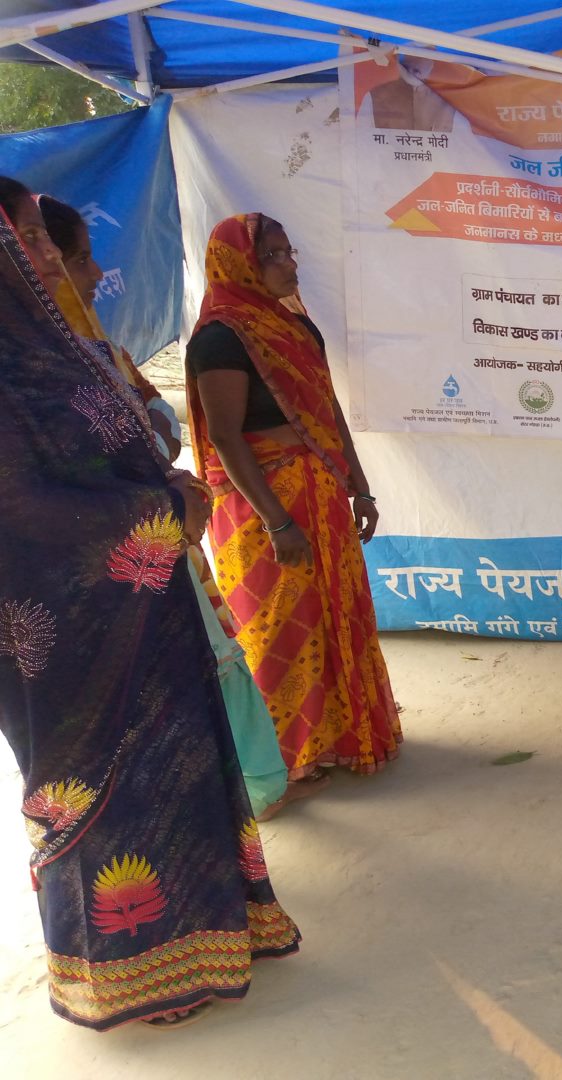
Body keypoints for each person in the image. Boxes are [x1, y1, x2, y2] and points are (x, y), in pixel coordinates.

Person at [0, 176, 299, 1030]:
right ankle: (135, 975)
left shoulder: (55, 350)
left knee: (180, 773)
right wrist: (161, 510)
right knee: (113, 797)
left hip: (146, 603)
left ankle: (212, 938)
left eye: (45, 236)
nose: (49, 254)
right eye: (28, 238)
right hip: (68, 638)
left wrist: (164, 488)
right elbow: (17, 510)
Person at [38, 194, 291, 820]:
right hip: (113, 574)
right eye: (77, 259)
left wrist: (158, 462)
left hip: (168, 540)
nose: (96, 273)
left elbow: (157, 420)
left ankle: (250, 791)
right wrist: (152, 463)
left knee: (214, 666)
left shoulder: (104, 353)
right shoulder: (35, 381)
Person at [186, 213, 402, 782]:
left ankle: (345, 737)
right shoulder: (220, 339)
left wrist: (360, 487)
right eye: (273, 256)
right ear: (239, 265)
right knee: (280, 624)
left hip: (323, 496)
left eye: (289, 252)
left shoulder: (297, 328)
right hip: (263, 511)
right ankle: (291, 759)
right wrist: (278, 522)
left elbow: (328, 413)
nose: (289, 265)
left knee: (338, 614)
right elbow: (226, 436)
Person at [38, 195, 182, 460]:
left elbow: (156, 404)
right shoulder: (36, 367)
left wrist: (156, 438)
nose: (98, 273)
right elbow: (123, 460)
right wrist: (157, 438)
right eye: (81, 260)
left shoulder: (102, 346)